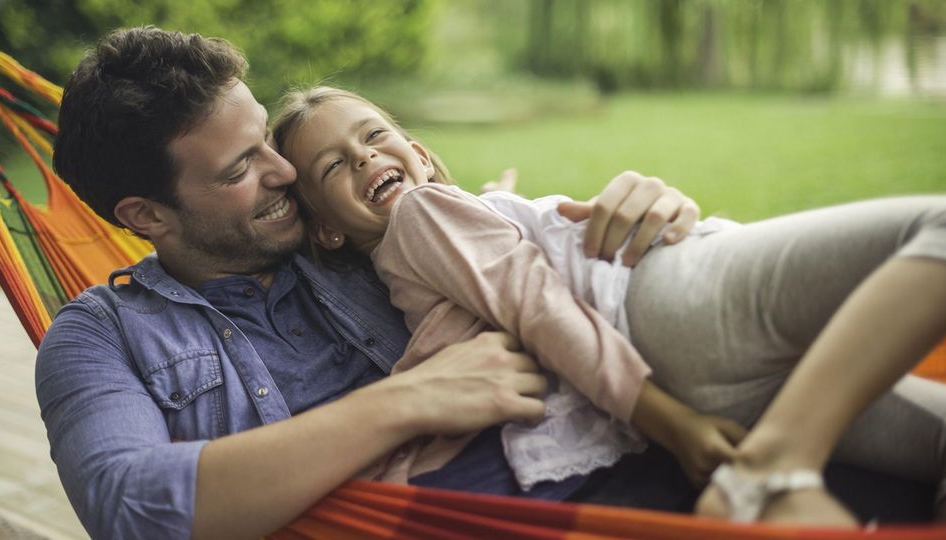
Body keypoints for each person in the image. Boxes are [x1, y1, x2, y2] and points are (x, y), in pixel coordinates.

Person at [37, 27, 704, 539]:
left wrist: (636, 211)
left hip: (604, 472)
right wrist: (409, 400)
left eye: (268, 139)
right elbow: (129, 504)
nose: (285, 172)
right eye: (242, 168)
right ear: (146, 215)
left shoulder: (350, 233)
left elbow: (493, 240)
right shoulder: (99, 337)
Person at [270, 85, 946, 525]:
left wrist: (499, 194)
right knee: (943, 227)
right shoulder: (422, 212)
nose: (362, 158)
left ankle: (778, 460)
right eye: (332, 166)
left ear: (416, 150)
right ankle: (777, 467)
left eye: (372, 134)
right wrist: (672, 421)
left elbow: (491, 256)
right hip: (671, 310)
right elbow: (536, 304)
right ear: (327, 229)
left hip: (701, 370)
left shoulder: (430, 235)